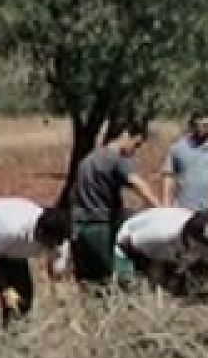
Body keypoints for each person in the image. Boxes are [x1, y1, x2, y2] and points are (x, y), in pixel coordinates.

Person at [0, 196, 71, 347]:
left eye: (58, 243)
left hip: (7, 247)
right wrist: (5, 288)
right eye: (52, 243)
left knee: (22, 293)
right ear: (41, 233)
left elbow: (56, 271)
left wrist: (59, 296)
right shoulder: (12, 229)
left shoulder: (59, 237)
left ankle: (13, 342)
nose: (55, 246)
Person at [66, 122, 164, 286]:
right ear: (126, 135)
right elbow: (139, 186)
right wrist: (161, 210)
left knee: (86, 280)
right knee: (106, 278)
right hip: (99, 227)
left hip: (77, 227)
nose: (134, 151)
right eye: (136, 144)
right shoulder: (117, 159)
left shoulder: (89, 159)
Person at [115, 206, 208, 296]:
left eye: (205, 243)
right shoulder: (159, 235)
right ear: (187, 233)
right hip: (132, 240)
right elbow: (126, 243)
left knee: (186, 287)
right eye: (198, 241)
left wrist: (183, 276)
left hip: (173, 250)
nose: (202, 246)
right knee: (137, 287)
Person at [161, 111, 208, 215]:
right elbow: (168, 176)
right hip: (181, 209)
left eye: (205, 125)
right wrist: (166, 206)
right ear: (192, 125)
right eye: (197, 125)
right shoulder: (177, 148)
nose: (201, 129)